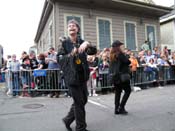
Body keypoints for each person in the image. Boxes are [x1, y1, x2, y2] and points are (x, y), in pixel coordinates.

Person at [57, 19, 95, 131]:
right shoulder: (64, 44)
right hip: (71, 77)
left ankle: (68, 119)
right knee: (79, 103)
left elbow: (93, 51)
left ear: (77, 29)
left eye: (73, 25)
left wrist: (88, 43)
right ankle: (81, 128)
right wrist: (71, 54)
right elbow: (60, 59)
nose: (71, 27)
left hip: (82, 75)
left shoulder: (82, 41)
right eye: (69, 26)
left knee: (84, 100)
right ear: (68, 29)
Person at [109, 40, 131, 115]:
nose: (121, 47)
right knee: (128, 91)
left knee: (118, 92)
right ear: (117, 47)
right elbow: (128, 62)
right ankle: (121, 107)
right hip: (122, 76)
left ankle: (116, 109)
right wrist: (126, 56)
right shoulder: (120, 54)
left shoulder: (111, 55)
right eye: (119, 46)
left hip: (115, 77)